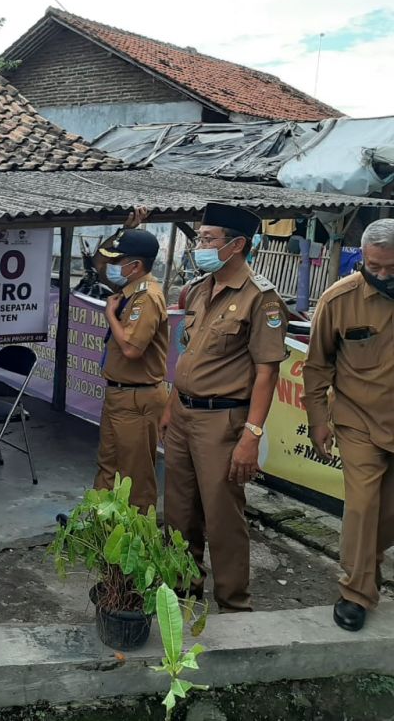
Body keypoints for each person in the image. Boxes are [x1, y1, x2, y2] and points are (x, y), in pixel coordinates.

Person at [160, 202, 287, 613]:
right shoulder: (199, 288)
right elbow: (188, 353)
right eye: (199, 238)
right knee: (179, 510)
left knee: (222, 516)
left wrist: (251, 435)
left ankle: (234, 604)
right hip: (182, 413)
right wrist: (170, 403)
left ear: (236, 245)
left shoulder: (261, 299)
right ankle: (181, 593)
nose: (199, 245)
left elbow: (266, 374)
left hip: (223, 420)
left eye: (208, 239)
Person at [303, 218, 394, 632]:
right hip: (359, 420)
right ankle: (357, 592)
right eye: (374, 267)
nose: (382, 276)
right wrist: (318, 420)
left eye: (391, 268)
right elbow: (317, 364)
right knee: (362, 507)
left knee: (386, 513)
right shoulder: (339, 300)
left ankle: (366, 565)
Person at [94, 228, 168, 511]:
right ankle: (102, 532)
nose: (112, 267)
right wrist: (119, 231)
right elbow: (99, 264)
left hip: (137, 397)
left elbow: (131, 350)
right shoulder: (126, 290)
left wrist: (111, 316)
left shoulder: (146, 296)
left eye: (119, 261)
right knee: (107, 467)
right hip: (118, 393)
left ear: (134, 266)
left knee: (134, 477)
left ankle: (136, 543)